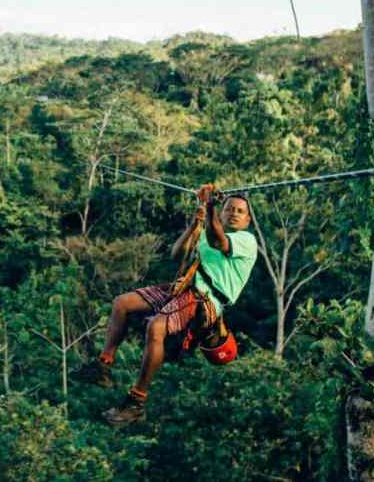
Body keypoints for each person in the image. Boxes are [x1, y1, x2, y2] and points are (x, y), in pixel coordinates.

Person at [74, 183, 258, 426]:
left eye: (240, 211)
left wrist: (211, 205)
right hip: (182, 287)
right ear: (222, 214)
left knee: (156, 327)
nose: (234, 213)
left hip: (205, 299)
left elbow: (218, 241)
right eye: (229, 209)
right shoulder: (207, 232)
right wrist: (194, 225)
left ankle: (136, 401)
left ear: (247, 221)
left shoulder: (246, 240)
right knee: (122, 304)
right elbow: (177, 254)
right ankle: (103, 365)